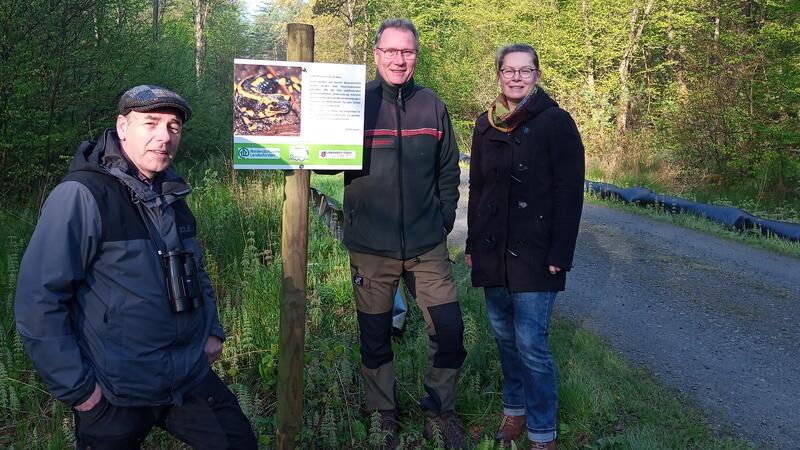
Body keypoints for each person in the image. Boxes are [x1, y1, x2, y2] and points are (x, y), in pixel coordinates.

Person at [14, 85, 257, 449]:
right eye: (151, 123)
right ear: (123, 126)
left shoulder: (171, 194)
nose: (164, 137)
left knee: (239, 442)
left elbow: (197, 270)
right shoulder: (82, 194)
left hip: (186, 377)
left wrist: (213, 330)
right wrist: (81, 391)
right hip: (114, 391)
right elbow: (38, 300)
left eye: (173, 127)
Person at [342, 18, 469, 449]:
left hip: (426, 246)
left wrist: (443, 220)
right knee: (375, 337)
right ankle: (383, 417)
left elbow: (449, 168)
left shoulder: (432, 105)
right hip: (370, 248)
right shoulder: (355, 103)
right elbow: (323, 163)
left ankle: (440, 411)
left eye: (407, 52)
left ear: (416, 55)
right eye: (391, 51)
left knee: (449, 330)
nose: (399, 59)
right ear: (376, 54)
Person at [465, 44, 585, 449]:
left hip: (536, 254)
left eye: (525, 71)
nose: (516, 77)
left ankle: (543, 432)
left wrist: (560, 254)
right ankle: (514, 411)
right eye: (509, 71)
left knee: (532, 344)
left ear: (537, 75)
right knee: (504, 338)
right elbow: (477, 189)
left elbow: (570, 193)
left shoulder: (557, 122)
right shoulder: (485, 124)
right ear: (498, 74)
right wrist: (471, 243)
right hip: (492, 252)